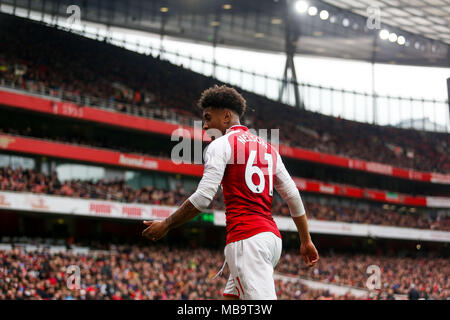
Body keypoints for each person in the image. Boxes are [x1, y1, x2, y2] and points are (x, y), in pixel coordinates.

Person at [142, 85, 319, 300]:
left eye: (208, 118)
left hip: (248, 240)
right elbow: (292, 196)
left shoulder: (221, 145)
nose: (205, 126)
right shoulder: (268, 148)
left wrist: (167, 224)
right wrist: (305, 240)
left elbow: (204, 197)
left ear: (226, 116)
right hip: (271, 240)